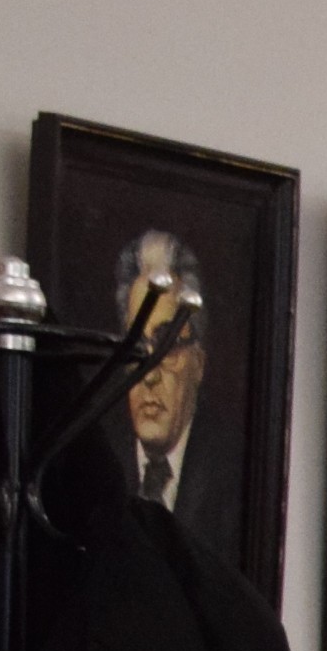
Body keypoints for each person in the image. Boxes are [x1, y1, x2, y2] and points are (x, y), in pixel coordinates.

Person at [108, 229, 224, 552]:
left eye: (167, 345)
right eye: (136, 346)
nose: (148, 376)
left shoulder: (229, 474)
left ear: (198, 363)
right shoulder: (98, 463)